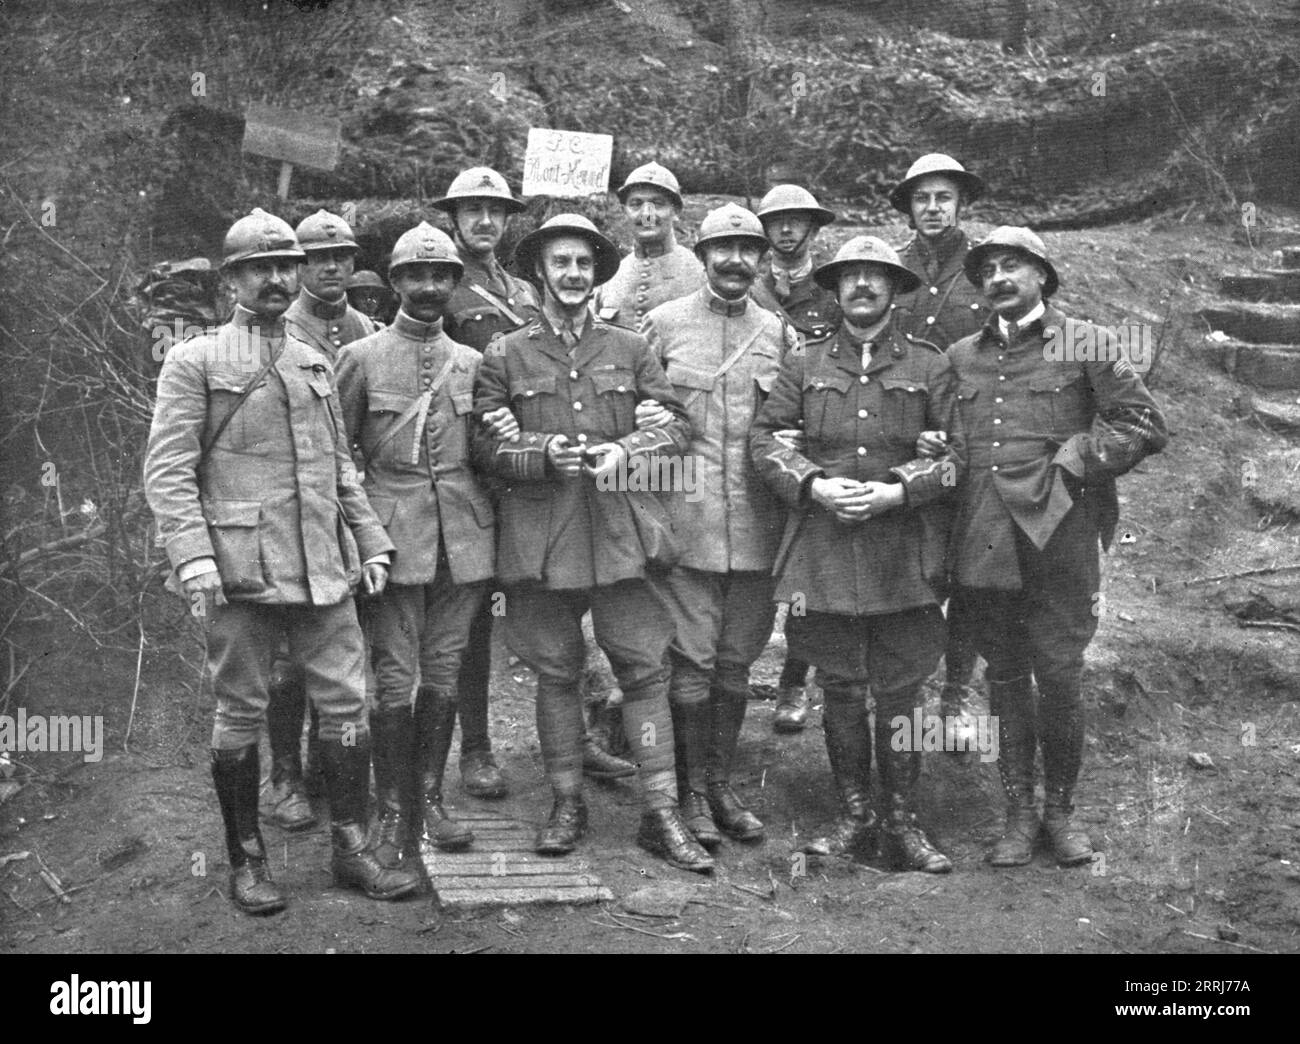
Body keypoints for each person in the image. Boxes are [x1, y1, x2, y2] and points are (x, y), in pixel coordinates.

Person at [144, 209, 419, 914]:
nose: (275, 278)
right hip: (239, 569)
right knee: (240, 709)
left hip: (325, 568)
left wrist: (372, 544)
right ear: (232, 279)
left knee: (346, 703)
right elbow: (168, 472)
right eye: (258, 268)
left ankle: (351, 847)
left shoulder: (313, 359)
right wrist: (193, 558)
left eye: (285, 266)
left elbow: (339, 469)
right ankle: (247, 860)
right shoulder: (196, 360)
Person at [919, 227, 1167, 867]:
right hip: (985, 541)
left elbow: (1142, 422)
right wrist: (938, 455)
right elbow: (945, 443)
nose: (998, 278)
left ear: (1042, 276)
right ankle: (1017, 814)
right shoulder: (958, 358)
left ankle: (1060, 812)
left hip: (1062, 537)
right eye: (988, 270)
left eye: (1013, 266)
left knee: (1058, 675)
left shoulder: (1085, 340)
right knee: (1003, 678)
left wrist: (1078, 458)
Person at [472, 214, 713, 872]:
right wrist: (541, 451)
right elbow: (486, 445)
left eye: (583, 263)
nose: (573, 274)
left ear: (596, 272)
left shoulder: (631, 348)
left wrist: (627, 450)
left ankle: (660, 811)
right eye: (561, 263)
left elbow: (677, 429)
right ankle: (566, 800)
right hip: (544, 539)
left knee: (642, 668)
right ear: (540, 273)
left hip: (619, 536)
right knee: (556, 670)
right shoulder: (506, 353)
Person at [751, 235, 962, 874]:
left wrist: (901, 490)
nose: (863, 286)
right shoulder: (805, 362)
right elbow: (763, 441)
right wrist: (813, 484)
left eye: (877, 276)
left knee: (904, 691)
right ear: (835, 288)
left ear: (896, 289)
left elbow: (960, 460)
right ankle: (855, 817)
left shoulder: (931, 366)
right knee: (840, 687)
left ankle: (904, 821)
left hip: (905, 553)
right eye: (851, 277)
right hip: (825, 551)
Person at [336, 223, 495, 872]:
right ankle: (394, 807)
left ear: (456, 285)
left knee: (445, 669)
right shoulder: (361, 360)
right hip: (392, 541)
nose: (429, 287)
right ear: (395, 281)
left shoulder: (475, 364)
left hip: (465, 541)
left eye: (441, 276)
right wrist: (363, 540)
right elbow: (339, 460)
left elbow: (487, 455)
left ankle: (428, 797)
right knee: (395, 676)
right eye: (415, 276)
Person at [639, 203, 795, 847]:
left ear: (762, 260)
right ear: (701, 257)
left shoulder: (780, 335)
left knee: (737, 666)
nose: (736, 260)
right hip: (687, 530)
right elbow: (635, 421)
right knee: (691, 667)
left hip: (758, 532)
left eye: (748, 249)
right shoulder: (662, 325)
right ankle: (689, 795)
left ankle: (721, 784)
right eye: (722, 249)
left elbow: (792, 427)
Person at [260, 209, 377, 834]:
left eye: (342, 257)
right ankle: (285, 775)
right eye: (316, 258)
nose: (331, 267)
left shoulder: (365, 327)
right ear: (297, 265)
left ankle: (334, 769)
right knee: (284, 657)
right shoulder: (279, 326)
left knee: (340, 647)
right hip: (284, 511)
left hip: (347, 503)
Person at [430, 167, 542, 799]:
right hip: (470, 468)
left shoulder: (526, 291)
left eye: (495, 211)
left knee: (546, 600)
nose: (483, 221)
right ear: (454, 216)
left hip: (526, 470)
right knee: (472, 616)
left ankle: (573, 738)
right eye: (472, 210)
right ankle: (474, 748)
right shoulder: (439, 285)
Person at [889, 154, 991, 738]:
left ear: (960, 205)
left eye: (943, 198)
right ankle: (899, 686)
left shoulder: (984, 267)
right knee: (902, 562)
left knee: (969, 569)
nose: (932, 208)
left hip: (970, 434)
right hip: (898, 434)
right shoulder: (888, 268)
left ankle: (955, 693)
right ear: (908, 207)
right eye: (921, 198)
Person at [751, 183, 842, 732]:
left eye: (796, 221)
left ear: (813, 228)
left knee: (808, 574)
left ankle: (794, 682)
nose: (786, 230)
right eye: (776, 221)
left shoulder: (833, 293)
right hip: (758, 448)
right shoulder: (750, 287)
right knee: (757, 569)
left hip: (816, 448)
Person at [595, 161, 705, 327]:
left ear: (675, 211)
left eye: (658, 204)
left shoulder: (701, 275)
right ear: (624, 211)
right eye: (636, 204)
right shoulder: (610, 276)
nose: (647, 214)